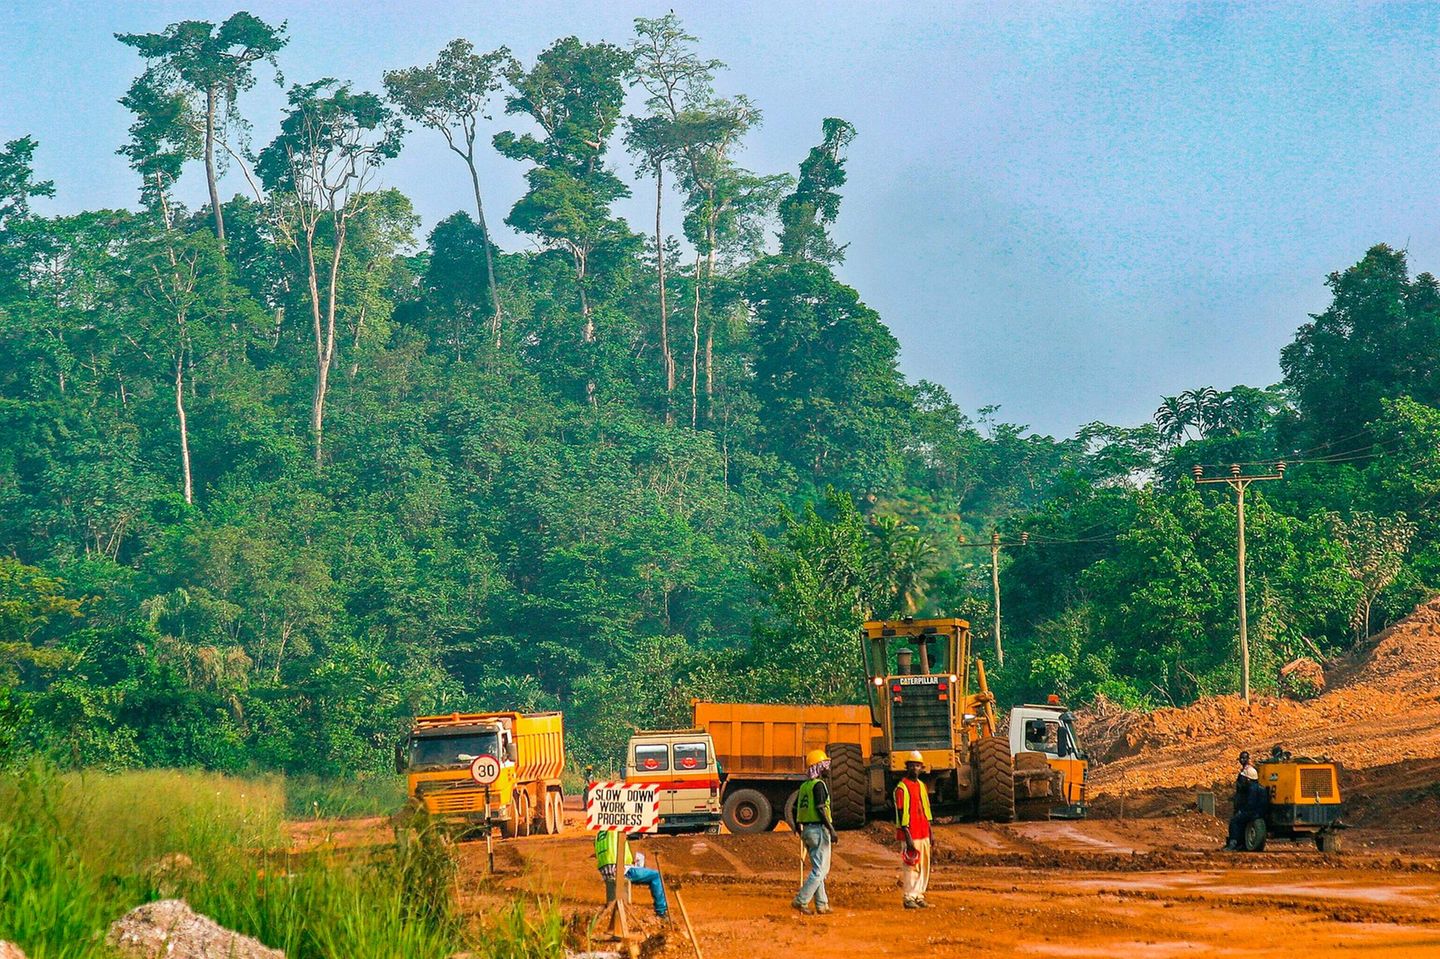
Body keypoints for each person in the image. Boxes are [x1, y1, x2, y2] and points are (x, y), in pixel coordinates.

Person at [792, 748, 838, 916]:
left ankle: (822, 904)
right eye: (825, 764)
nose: (828, 768)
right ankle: (801, 900)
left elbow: (794, 807)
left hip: (807, 830)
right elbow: (820, 808)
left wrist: (797, 825)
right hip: (819, 830)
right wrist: (831, 829)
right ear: (819, 767)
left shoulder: (805, 786)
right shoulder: (819, 785)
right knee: (820, 871)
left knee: (818, 869)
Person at [594, 828, 669, 920]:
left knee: (640, 866)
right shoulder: (616, 829)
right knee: (656, 876)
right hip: (620, 870)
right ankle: (661, 912)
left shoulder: (599, 835)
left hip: (606, 871)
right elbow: (635, 826)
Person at [893, 750, 933, 909]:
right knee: (911, 866)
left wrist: (930, 831)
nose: (915, 768)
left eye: (918, 766)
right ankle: (909, 896)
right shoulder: (901, 788)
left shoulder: (922, 786)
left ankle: (919, 895)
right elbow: (901, 812)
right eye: (912, 765)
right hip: (911, 834)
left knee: (924, 865)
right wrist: (907, 836)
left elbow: (925, 809)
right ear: (907, 767)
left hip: (923, 832)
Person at [1223, 765, 1266, 851]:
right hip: (1259, 813)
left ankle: (1233, 843)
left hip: (1253, 813)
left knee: (1235, 821)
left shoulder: (1251, 788)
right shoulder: (1261, 787)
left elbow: (1250, 804)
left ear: (1248, 779)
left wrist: (1242, 811)